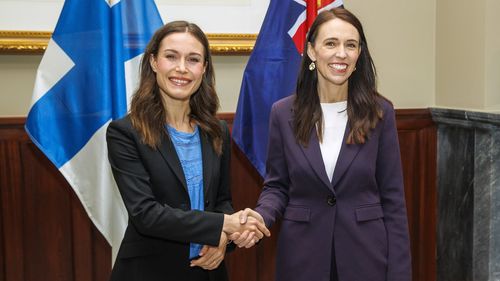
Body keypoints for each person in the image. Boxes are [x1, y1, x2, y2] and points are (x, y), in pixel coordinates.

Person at [234, 8, 412, 281]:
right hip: (302, 257)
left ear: (358, 54)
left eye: (350, 45)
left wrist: (399, 274)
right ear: (312, 51)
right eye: (331, 43)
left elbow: (394, 201)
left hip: (366, 257)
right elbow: (277, 186)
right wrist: (261, 217)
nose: (341, 53)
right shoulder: (283, 113)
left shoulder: (380, 112)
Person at [106, 21, 270, 281]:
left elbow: (221, 202)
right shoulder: (125, 132)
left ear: (204, 68)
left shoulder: (216, 130)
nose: (181, 68)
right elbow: (146, 215)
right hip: (149, 271)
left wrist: (224, 240)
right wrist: (224, 226)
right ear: (153, 62)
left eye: (193, 59)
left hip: (207, 271)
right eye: (171, 56)